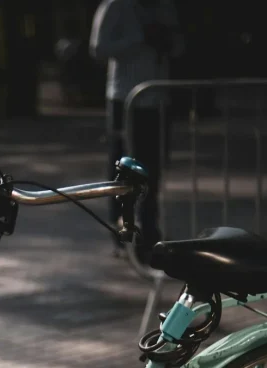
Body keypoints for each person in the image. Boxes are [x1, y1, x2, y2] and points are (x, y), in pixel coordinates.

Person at [90, 0, 183, 257]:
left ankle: (149, 228)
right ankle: (121, 230)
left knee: (153, 165)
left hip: (157, 98)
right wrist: (140, 38)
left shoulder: (164, 7)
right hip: (125, 98)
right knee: (123, 168)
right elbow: (98, 47)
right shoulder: (116, 6)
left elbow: (177, 47)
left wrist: (167, 42)